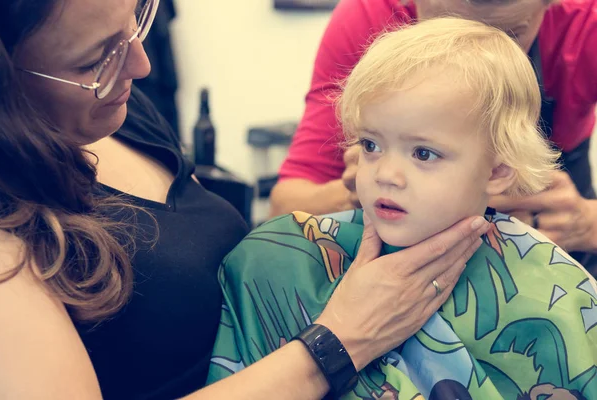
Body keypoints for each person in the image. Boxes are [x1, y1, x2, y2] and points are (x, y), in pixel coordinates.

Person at [0, 0, 489, 399]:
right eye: (95, 59)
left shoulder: (117, 112)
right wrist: (341, 341)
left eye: (136, 19)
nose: (142, 66)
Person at [207, 18, 597, 399]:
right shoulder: (284, 257)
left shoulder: (555, 293)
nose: (385, 174)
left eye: (423, 153)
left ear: (497, 171)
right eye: (371, 145)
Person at [270, 0, 597, 271]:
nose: (470, 67)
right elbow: (284, 208)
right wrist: (363, 188)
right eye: (443, 31)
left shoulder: (587, 27)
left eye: (508, 36)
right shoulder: (368, 18)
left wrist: (586, 222)